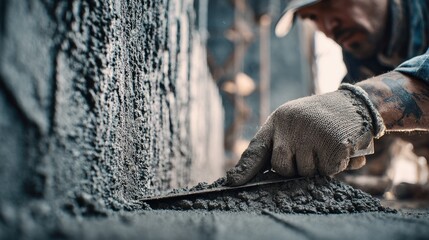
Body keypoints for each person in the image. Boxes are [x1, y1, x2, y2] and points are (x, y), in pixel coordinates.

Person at [226, 0, 429, 186]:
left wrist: (365, 103)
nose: (329, 27)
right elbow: (366, 149)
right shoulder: (361, 60)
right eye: (313, 18)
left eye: (330, 3)